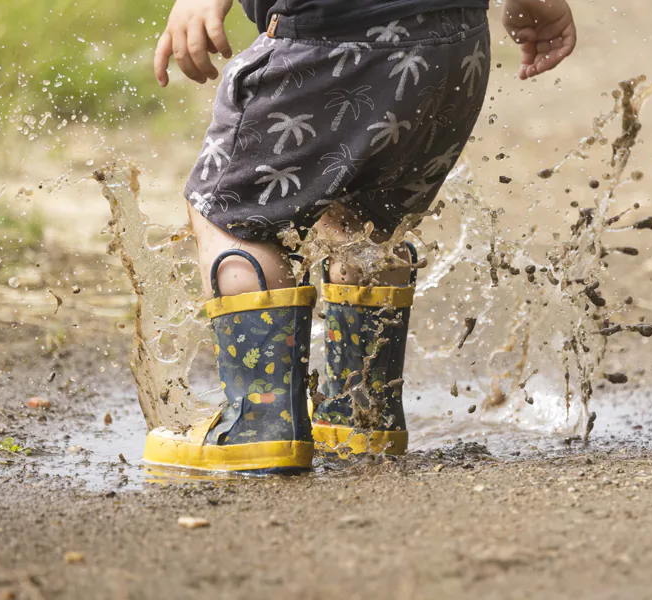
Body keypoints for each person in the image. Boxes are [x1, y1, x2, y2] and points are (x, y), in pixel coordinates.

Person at [142, 0, 576, 473]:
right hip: (452, 50)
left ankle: (260, 426)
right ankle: (363, 414)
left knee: (234, 216)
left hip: (331, 41)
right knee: (365, 224)